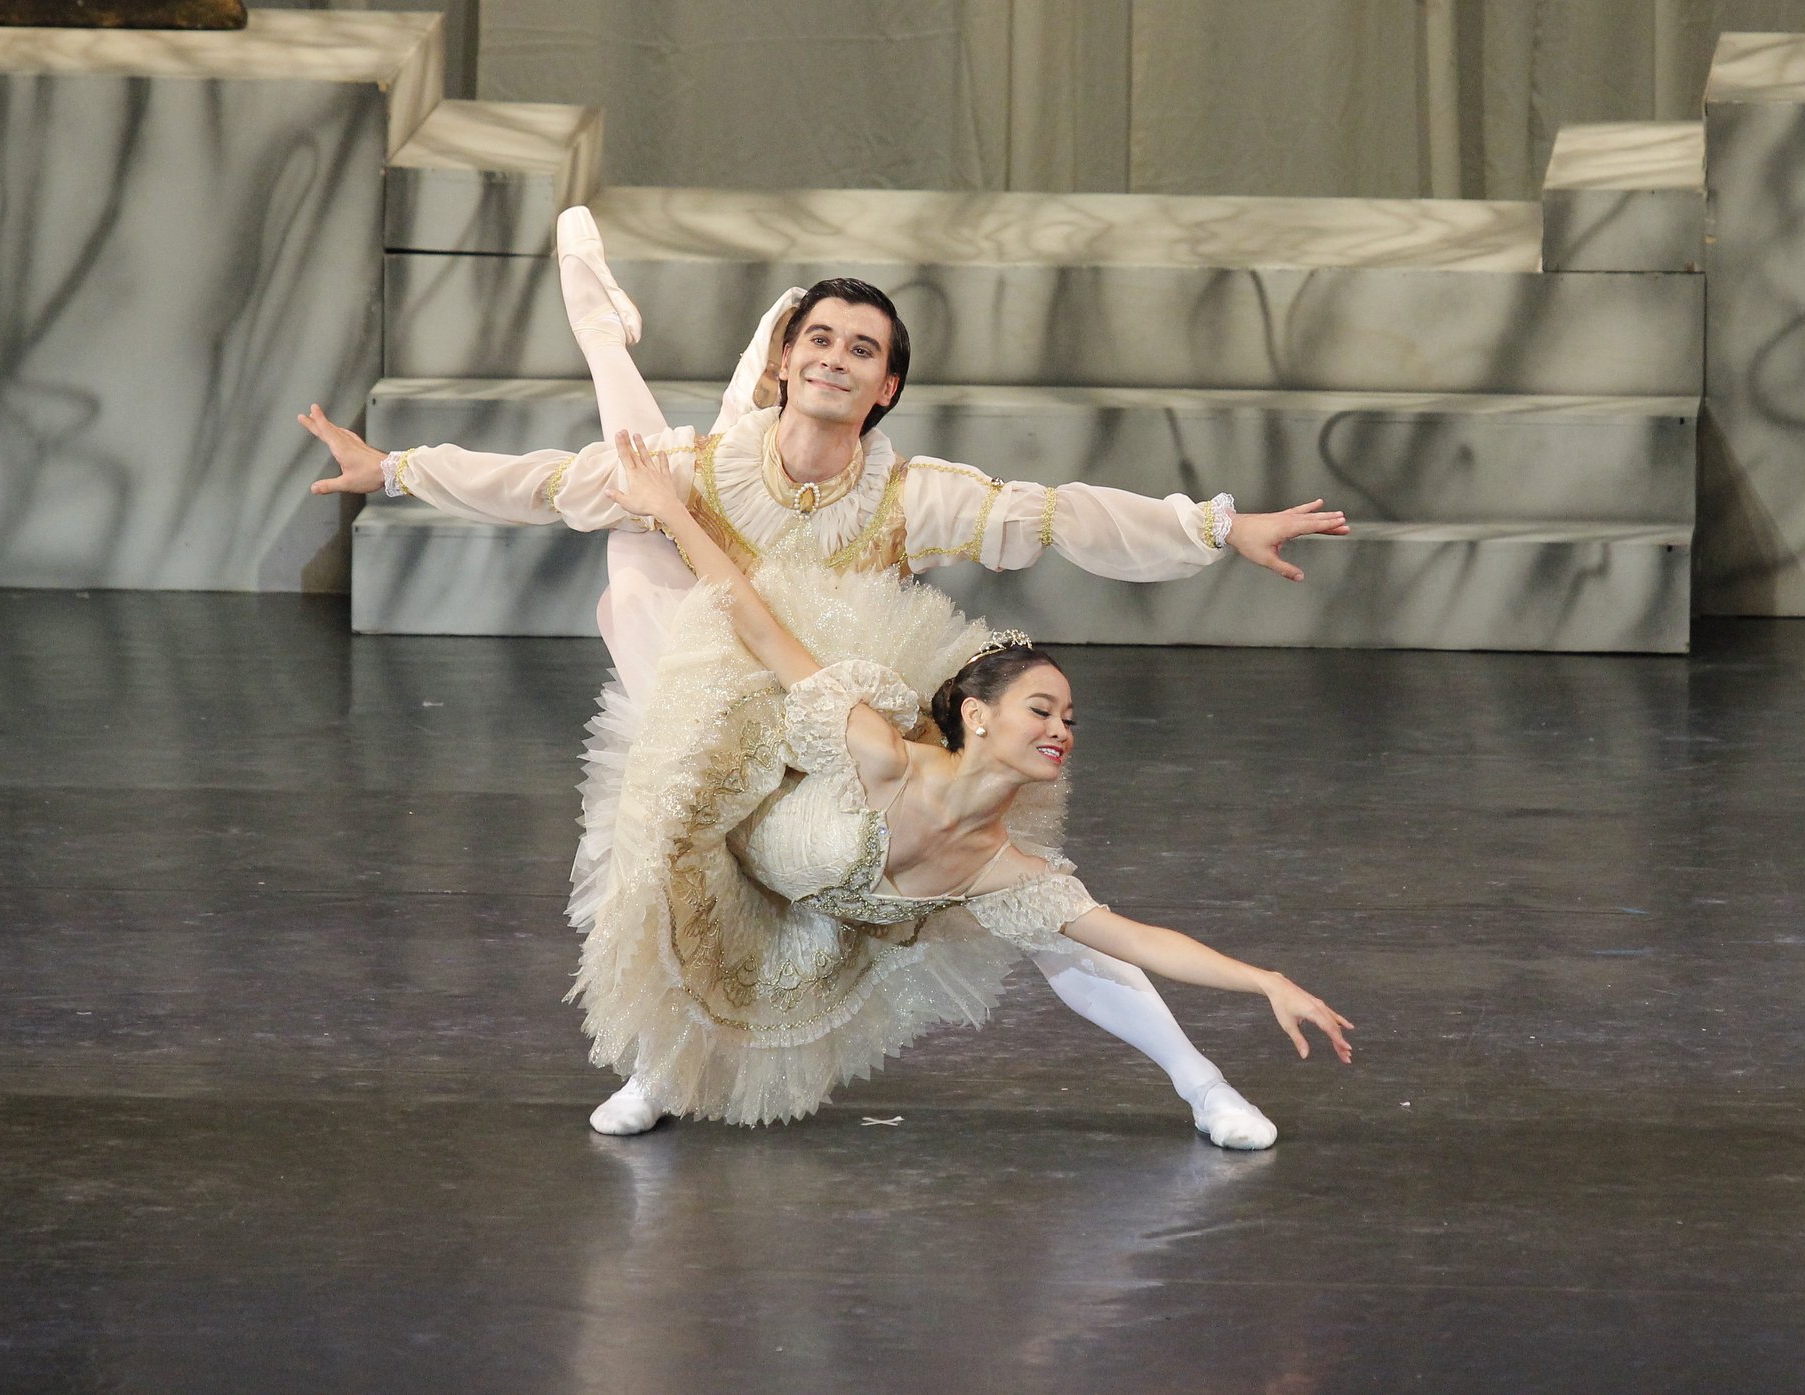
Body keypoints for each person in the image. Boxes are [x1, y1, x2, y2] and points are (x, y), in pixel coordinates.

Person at [300, 208, 1350, 1143]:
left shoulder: (910, 495)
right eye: (818, 339)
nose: (837, 358)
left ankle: (1199, 1080)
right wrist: (391, 468)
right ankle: (663, 1065)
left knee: (1025, 899)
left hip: (845, 700)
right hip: (725, 666)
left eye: (862, 348)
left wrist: (1218, 526)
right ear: (785, 363)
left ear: (887, 384)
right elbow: (536, 483)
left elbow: (1061, 512)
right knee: (646, 566)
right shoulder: (714, 466)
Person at [560, 423, 1351, 1130]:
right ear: (977, 716)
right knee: (634, 613)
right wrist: (669, 510)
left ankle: (1206, 1087)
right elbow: (756, 620)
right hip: (729, 807)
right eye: (1042, 710)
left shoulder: (1001, 867)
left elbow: (1136, 938)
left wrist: (1266, 979)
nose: (1060, 731)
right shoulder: (874, 749)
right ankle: (658, 1072)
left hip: (823, 920)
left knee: (1060, 939)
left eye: (1069, 720)